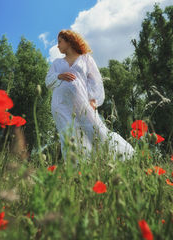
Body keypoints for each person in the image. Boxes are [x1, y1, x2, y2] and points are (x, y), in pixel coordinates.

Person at [45, 29, 134, 161]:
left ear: (69, 41)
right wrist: (59, 75)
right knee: (69, 135)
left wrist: (93, 99)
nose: (58, 45)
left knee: (97, 131)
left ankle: (119, 158)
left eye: (60, 42)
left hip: (82, 103)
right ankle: (77, 168)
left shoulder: (85, 59)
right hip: (61, 105)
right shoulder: (57, 63)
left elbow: (95, 80)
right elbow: (48, 81)